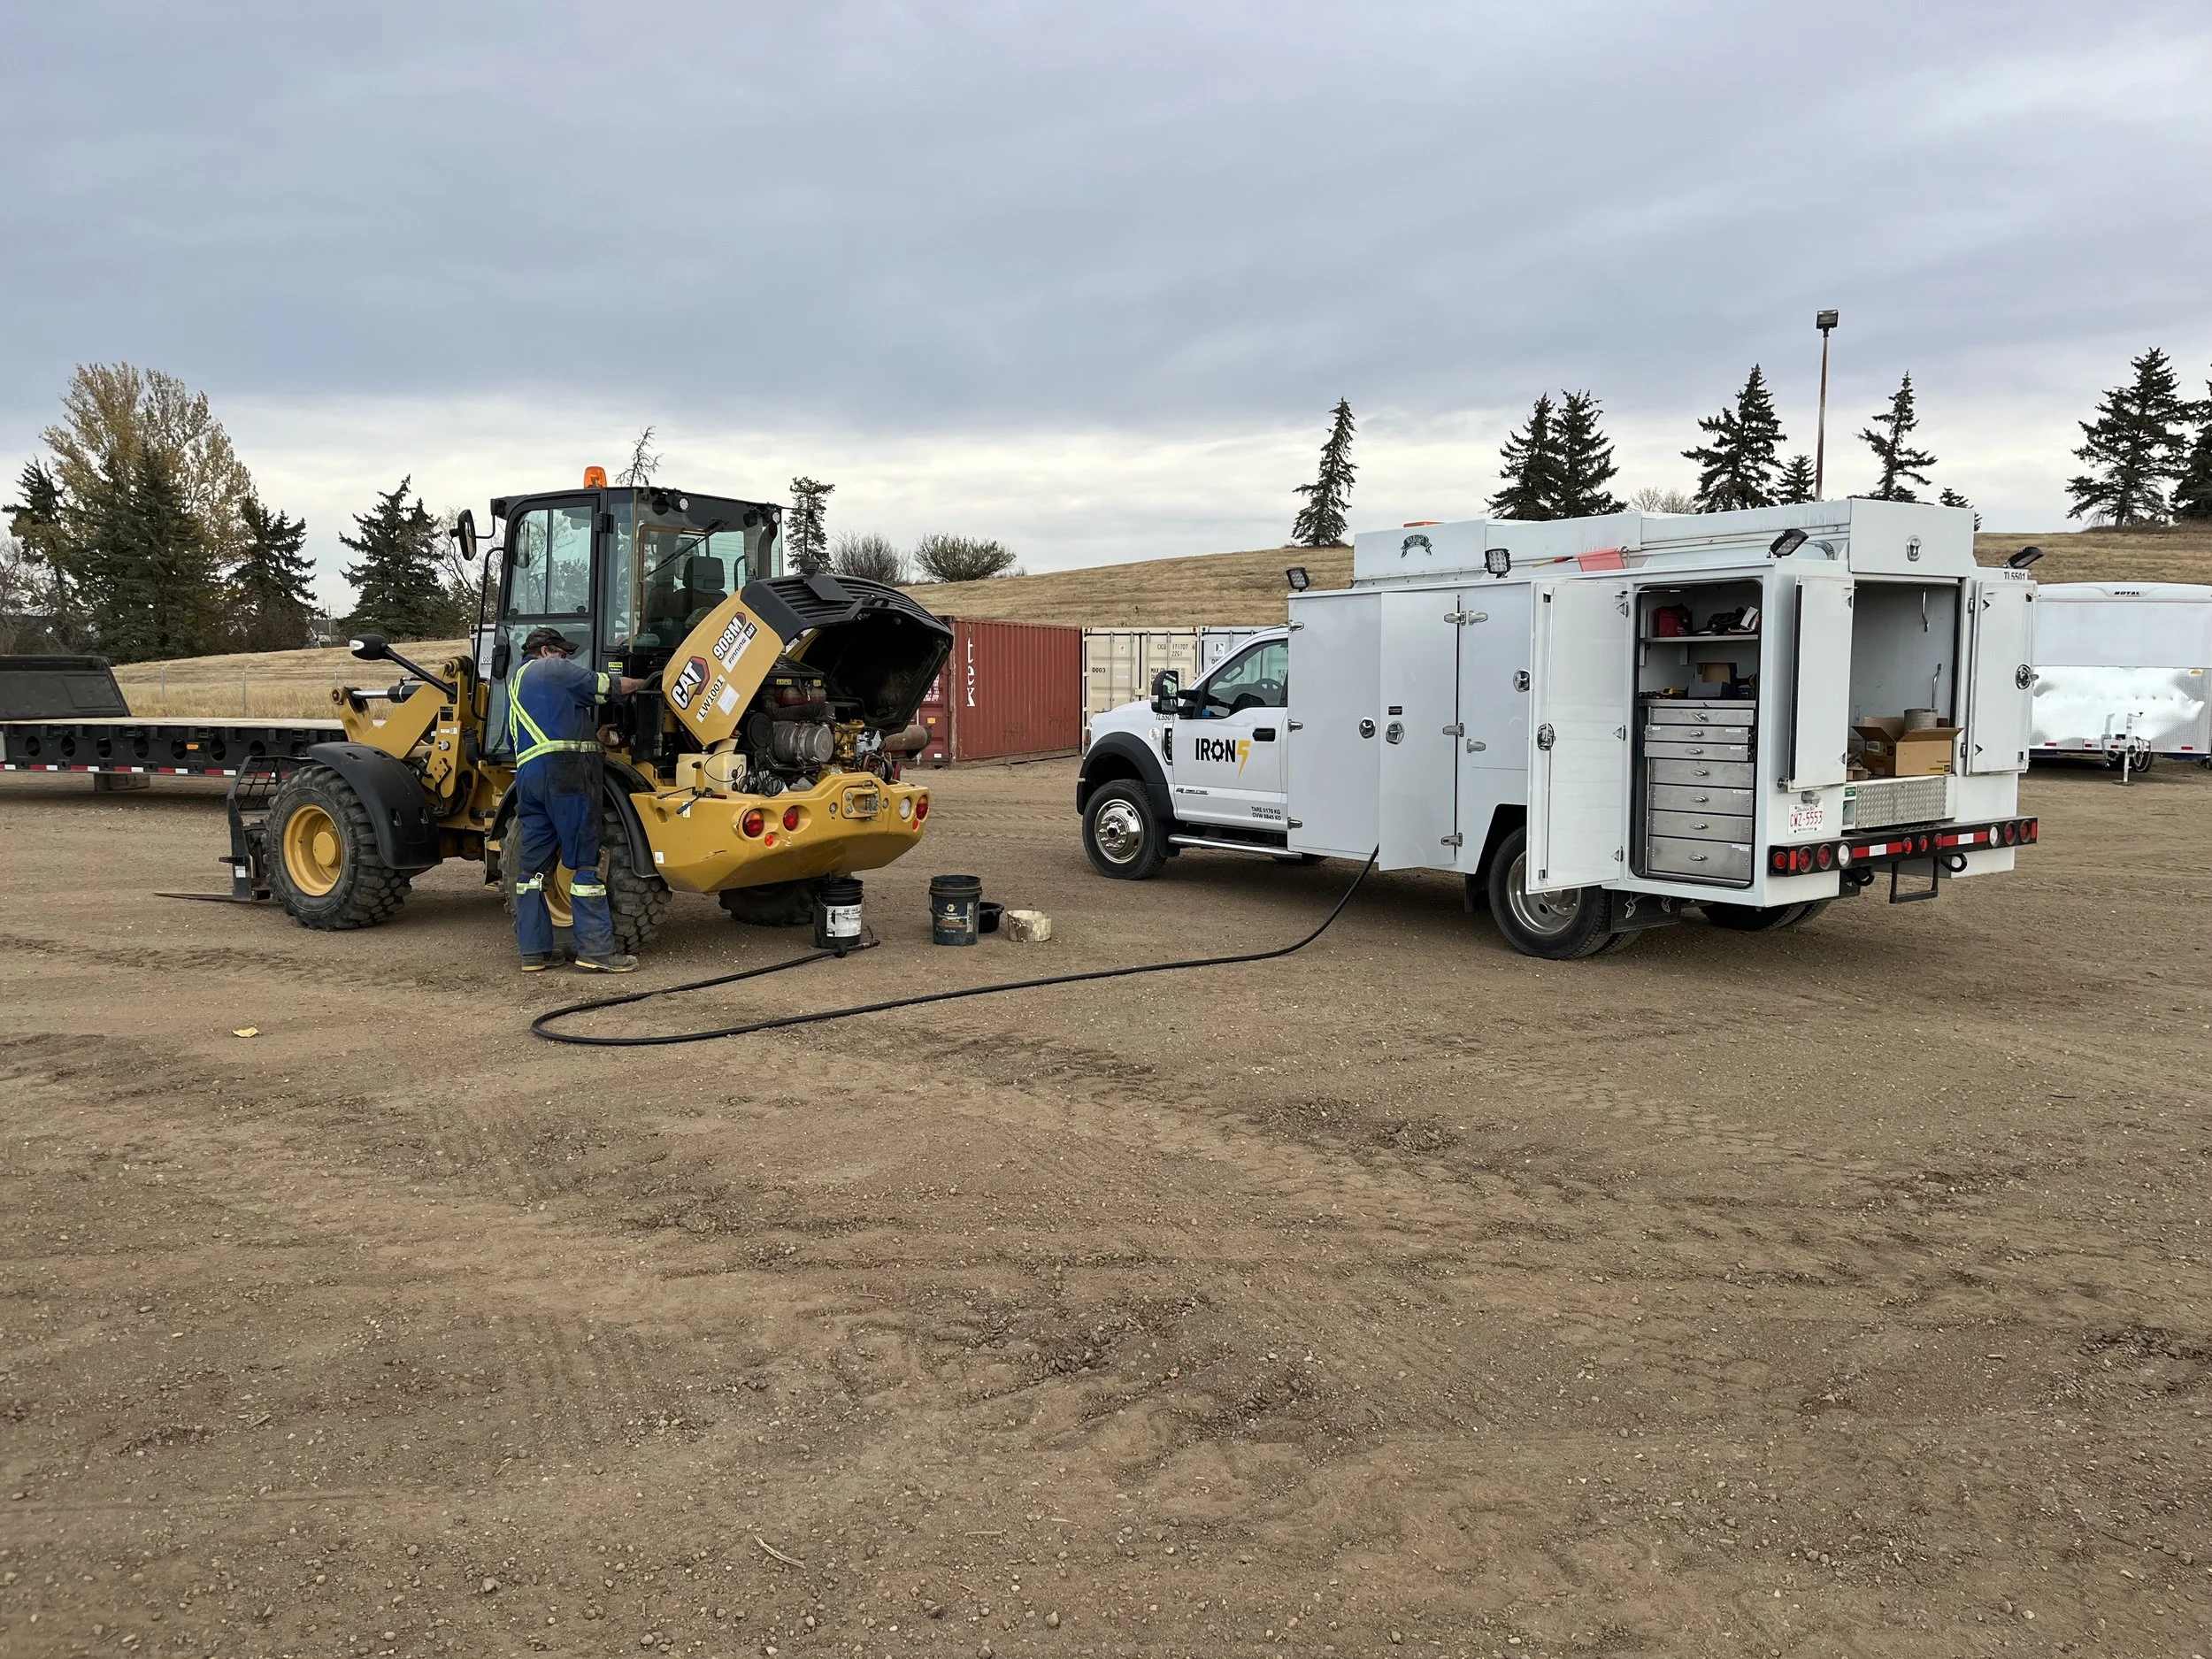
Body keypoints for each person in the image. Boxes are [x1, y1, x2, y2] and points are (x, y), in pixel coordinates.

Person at [509, 626, 647, 972]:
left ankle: (534, 954)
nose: (566, 658)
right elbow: (609, 687)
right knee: (585, 863)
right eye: (562, 652)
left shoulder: (521, 681)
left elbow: (551, 726)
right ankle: (596, 952)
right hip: (566, 775)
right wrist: (652, 681)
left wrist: (593, 736)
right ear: (545, 651)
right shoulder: (551, 669)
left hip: (531, 777)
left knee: (532, 871)